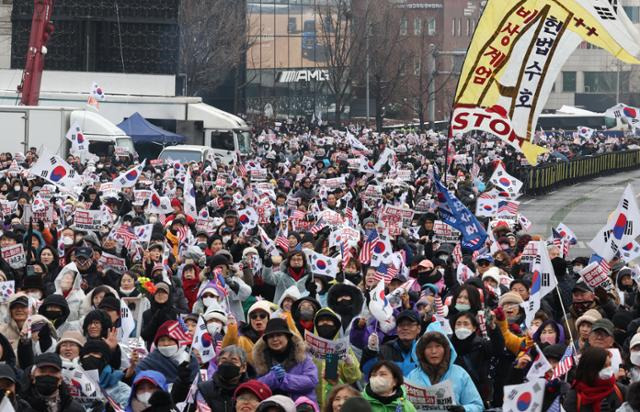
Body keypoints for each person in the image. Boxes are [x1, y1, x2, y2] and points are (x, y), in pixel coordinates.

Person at [407, 329, 483, 412]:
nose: (434, 351)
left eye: (438, 346)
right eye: (428, 347)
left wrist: (464, 409)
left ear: (446, 349)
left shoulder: (460, 374)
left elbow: (477, 405)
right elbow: (401, 406)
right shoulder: (413, 375)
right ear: (422, 351)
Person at [253, 318, 319, 403]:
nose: (275, 339)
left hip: (301, 407)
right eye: (271, 336)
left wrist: (285, 378)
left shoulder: (302, 357)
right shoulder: (261, 360)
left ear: (287, 337)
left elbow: (311, 381)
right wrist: (272, 377)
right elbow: (256, 386)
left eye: (279, 335)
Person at [173, 345, 251, 411]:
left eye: (233, 361)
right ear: (218, 364)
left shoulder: (251, 390)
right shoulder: (204, 389)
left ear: (243, 367)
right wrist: (182, 381)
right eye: (224, 360)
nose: (227, 364)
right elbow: (179, 402)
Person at [564, 347, 626, 412]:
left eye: (609, 365)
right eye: (604, 366)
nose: (608, 369)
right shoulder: (575, 397)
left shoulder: (619, 390)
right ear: (591, 369)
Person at [135, 320, 198, 384]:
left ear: (179, 341)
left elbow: (196, 385)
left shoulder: (191, 359)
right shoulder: (151, 360)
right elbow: (135, 378)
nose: (166, 343)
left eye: (170, 339)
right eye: (162, 340)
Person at [361, 310, 421, 377]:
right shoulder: (385, 350)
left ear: (419, 328)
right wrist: (371, 351)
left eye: (410, 324)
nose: (405, 328)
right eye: (401, 325)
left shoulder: (424, 350)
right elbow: (368, 371)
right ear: (397, 329)